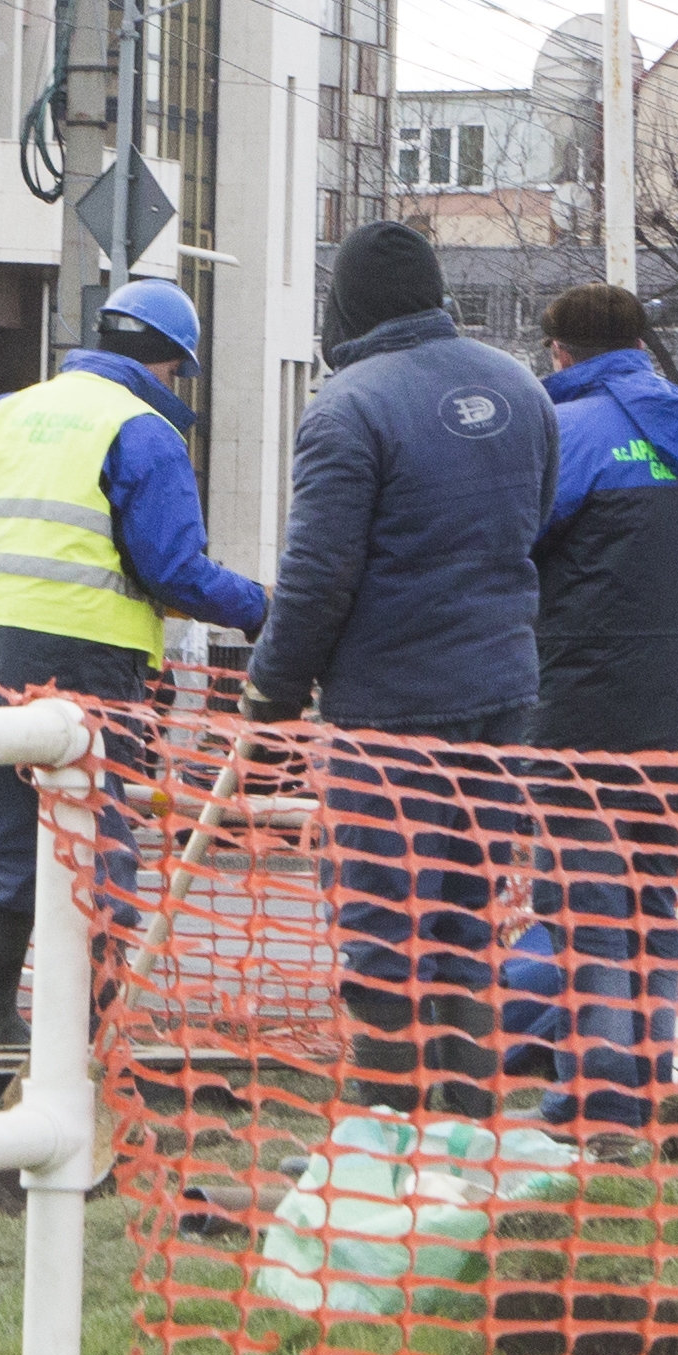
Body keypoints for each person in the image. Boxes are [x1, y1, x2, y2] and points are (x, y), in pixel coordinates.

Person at [242, 221, 553, 1115]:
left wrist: (273, 694)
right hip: (502, 699)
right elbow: (530, 525)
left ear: (346, 305)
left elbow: (315, 578)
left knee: (385, 924)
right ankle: (465, 1130)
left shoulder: (349, 406)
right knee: (466, 917)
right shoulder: (519, 388)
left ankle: (392, 1126)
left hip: (390, 712)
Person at [0, 278, 268, 1044]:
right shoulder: (144, 431)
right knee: (98, 844)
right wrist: (265, 609)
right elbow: (174, 569)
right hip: (83, 668)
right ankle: (95, 1033)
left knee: (12, 844)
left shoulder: (4, 412)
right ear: (172, 363)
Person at [511, 282, 678, 1133]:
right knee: (653, 903)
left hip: (583, 709)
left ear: (559, 352)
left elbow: (515, 558)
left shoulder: (563, 433)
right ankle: (645, 1090)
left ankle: (596, 1101)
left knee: (583, 911)